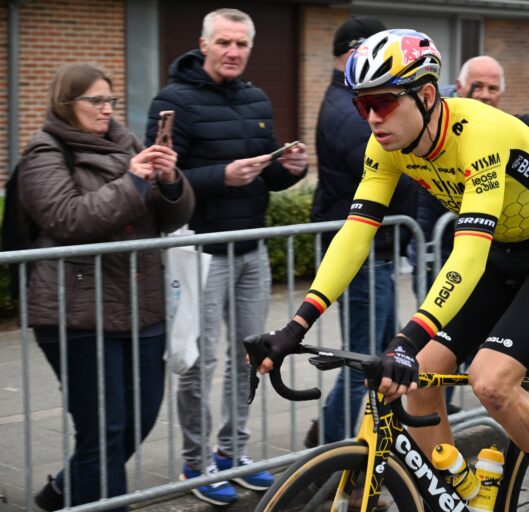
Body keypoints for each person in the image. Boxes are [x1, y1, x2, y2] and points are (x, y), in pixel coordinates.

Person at [256, 29, 529, 511]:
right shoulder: (386, 146)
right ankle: (464, 495)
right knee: (418, 382)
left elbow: (467, 253)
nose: (373, 118)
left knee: (490, 381)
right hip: (502, 250)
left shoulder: (480, 133)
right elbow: (356, 235)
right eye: (362, 106)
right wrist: (296, 324)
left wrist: (405, 340)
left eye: (382, 102)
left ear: (424, 94)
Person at [145, 8, 307, 505]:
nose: (233, 52)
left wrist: (291, 169)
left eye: (241, 44)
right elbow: (158, 179)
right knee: (200, 361)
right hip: (199, 253)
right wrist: (221, 178)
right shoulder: (172, 101)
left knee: (250, 356)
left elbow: (265, 174)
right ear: (203, 44)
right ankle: (193, 464)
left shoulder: (256, 97)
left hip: (251, 249)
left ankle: (231, 454)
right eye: (224, 43)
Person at [22, 62, 194, 511]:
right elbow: (69, 218)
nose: (106, 109)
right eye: (95, 101)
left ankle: (64, 491)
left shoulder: (127, 142)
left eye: (110, 100)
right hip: (77, 308)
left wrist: (171, 180)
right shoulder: (44, 151)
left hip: (142, 304)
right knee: (103, 429)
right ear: (67, 104)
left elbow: (170, 217)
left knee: (139, 417)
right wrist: (134, 179)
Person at [304, 15, 417, 449]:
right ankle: (332, 460)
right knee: (366, 363)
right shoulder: (352, 110)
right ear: (355, 53)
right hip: (365, 255)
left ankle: (372, 455)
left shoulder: (351, 102)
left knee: (383, 361)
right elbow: (397, 169)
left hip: (379, 251)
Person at [416, 54, 507, 412]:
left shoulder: (500, 126)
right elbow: (427, 203)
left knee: (493, 372)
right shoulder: (437, 125)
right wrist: (426, 253)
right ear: (460, 85)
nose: (485, 94)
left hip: (501, 259)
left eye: (493, 88)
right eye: (477, 87)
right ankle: (443, 410)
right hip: (447, 257)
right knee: (436, 356)